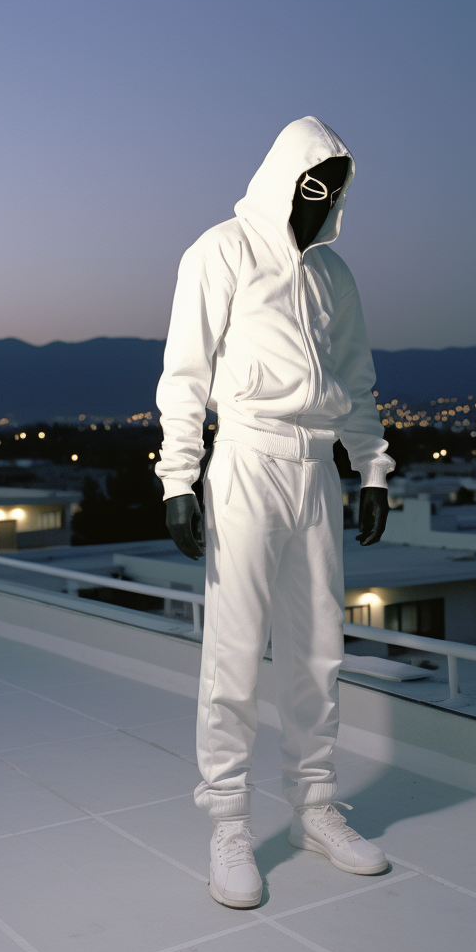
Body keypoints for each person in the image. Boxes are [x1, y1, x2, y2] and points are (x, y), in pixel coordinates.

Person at [155, 116, 394, 909]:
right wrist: (179, 479)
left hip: (315, 472)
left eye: (335, 184)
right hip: (249, 462)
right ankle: (228, 821)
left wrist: (371, 470)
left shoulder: (334, 277)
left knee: (318, 646)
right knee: (232, 652)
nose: (324, 197)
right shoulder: (218, 252)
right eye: (313, 180)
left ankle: (314, 809)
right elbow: (185, 375)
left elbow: (357, 379)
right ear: (287, 176)